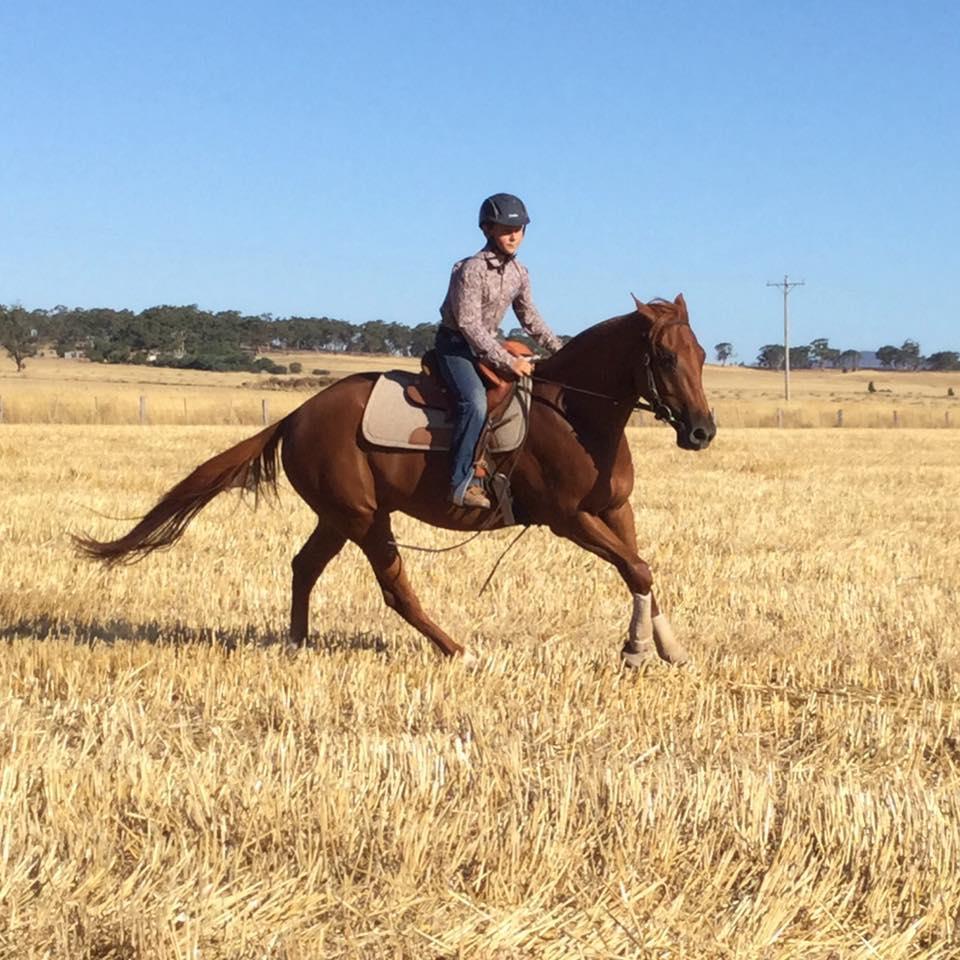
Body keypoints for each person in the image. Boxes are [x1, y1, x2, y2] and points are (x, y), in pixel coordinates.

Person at [435, 193, 563, 509]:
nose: (514, 236)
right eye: (506, 229)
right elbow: (468, 324)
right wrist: (508, 361)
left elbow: (530, 318)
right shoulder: (471, 269)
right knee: (475, 403)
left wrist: (562, 352)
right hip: (456, 348)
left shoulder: (520, 273)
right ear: (488, 229)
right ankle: (462, 482)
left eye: (518, 230)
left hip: (488, 346)